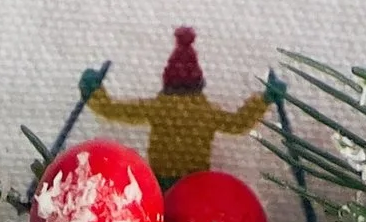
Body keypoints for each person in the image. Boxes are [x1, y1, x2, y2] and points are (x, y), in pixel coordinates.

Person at [87, 30, 271, 182]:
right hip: (195, 185)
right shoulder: (206, 113)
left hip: (160, 182)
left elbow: (110, 109)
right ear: (199, 83)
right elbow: (238, 123)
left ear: (167, 81)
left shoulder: (158, 108)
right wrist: (265, 99)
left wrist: (92, 90)